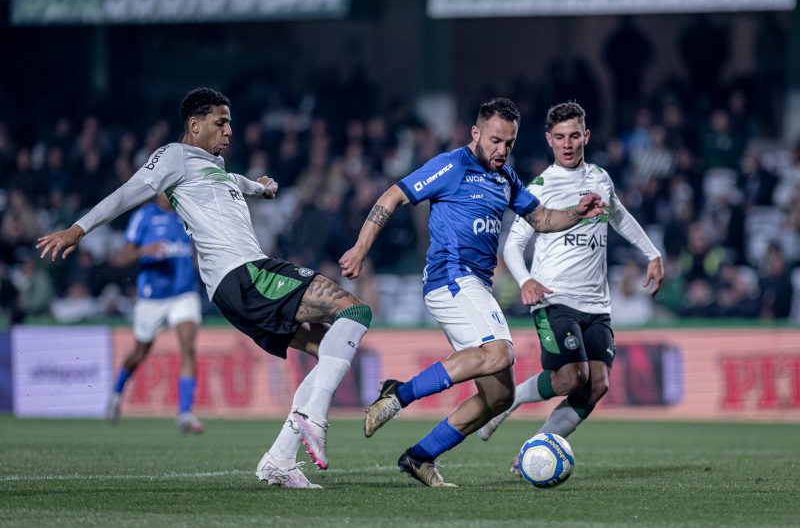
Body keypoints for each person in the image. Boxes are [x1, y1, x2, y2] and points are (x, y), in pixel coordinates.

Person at [37, 88, 372, 489]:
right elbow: (129, 192)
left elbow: (235, 181)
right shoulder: (175, 157)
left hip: (234, 290)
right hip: (247, 274)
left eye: (229, 122)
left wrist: (261, 187)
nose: (229, 130)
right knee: (355, 312)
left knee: (328, 351)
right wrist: (79, 229)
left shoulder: (213, 168)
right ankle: (315, 415)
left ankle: (280, 459)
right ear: (194, 125)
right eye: (220, 122)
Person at [339, 98, 604, 487]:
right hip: (449, 277)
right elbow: (392, 196)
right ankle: (399, 394)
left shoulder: (506, 178)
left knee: (499, 396)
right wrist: (361, 248)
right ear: (475, 133)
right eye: (495, 140)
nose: (501, 151)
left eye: (509, 144)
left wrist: (577, 213)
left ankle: (419, 456)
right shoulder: (451, 165)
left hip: (476, 286)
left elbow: (543, 218)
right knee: (501, 351)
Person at [478, 102, 663, 476]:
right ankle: (509, 401)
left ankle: (535, 450)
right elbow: (512, 244)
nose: (567, 144)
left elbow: (620, 216)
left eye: (574, 136)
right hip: (553, 299)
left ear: (586, 137)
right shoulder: (540, 187)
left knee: (597, 385)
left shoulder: (600, 178)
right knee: (573, 377)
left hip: (597, 303)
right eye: (559, 137)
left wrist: (653, 253)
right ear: (549, 140)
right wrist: (526, 279)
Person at [105, 193, 204, 434]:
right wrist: (144, 251)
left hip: (184, 293)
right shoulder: (144, 216)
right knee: (139, 352)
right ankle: (117, 393)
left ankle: (185, 414)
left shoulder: (187, 213)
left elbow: (195, 251)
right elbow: (121, 258)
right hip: (152, 297)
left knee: (188, 346)